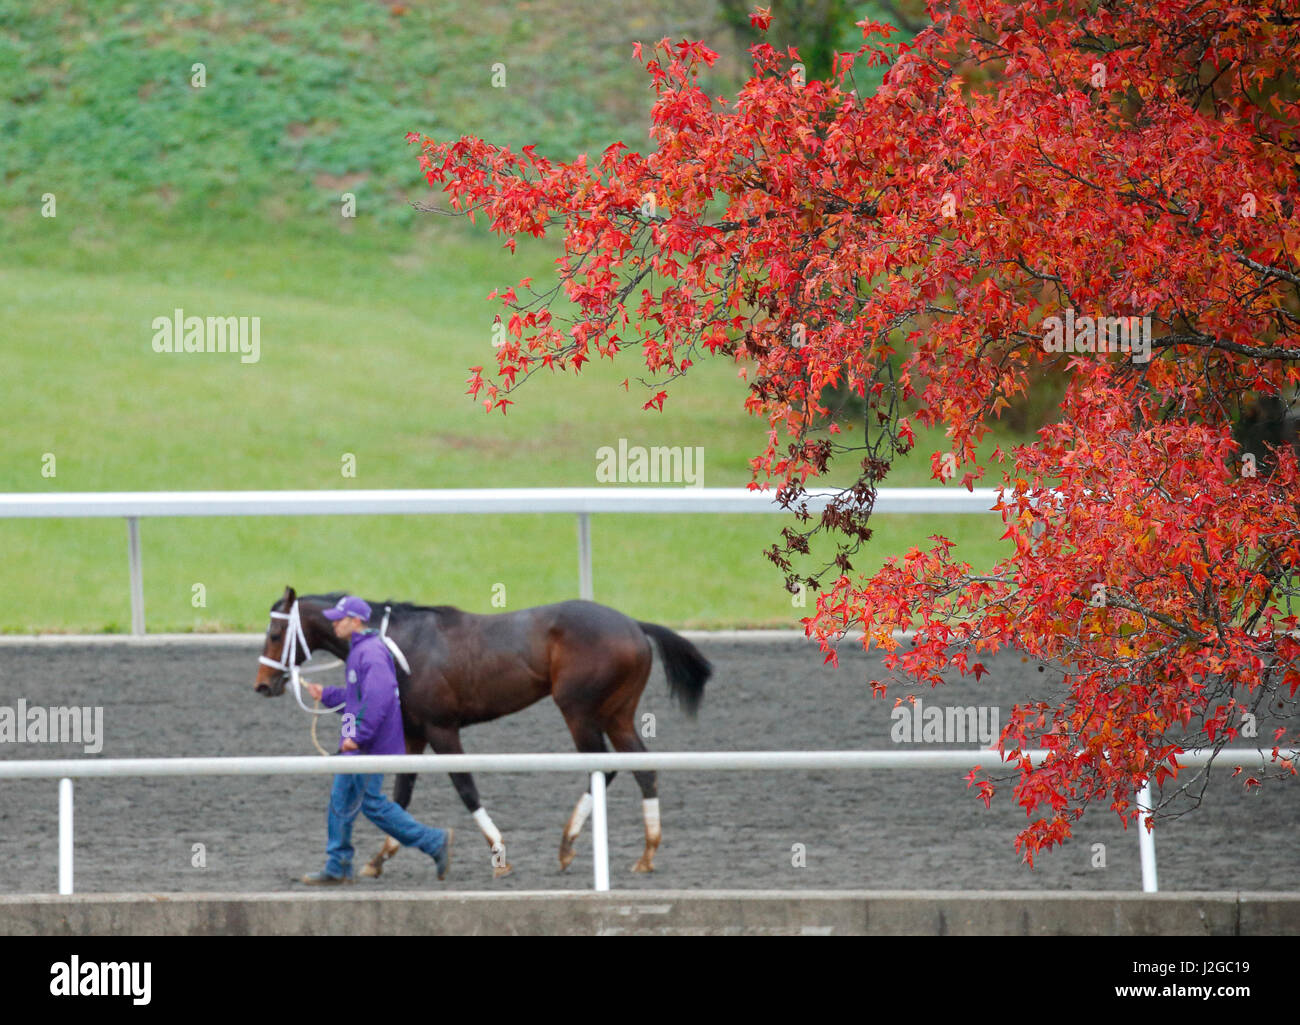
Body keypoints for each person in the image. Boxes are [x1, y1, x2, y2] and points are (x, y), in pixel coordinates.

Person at [298, 595, 453, 884]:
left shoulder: (369, 653)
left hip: (368, 747)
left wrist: (357, 736)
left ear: (355, 621)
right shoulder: (361, 651)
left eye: (339, 619)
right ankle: (338, 864)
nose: (334, 624)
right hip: (361, 746)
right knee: (341, 799)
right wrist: (328, 694)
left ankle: (434, 841)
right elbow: (359, 698)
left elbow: (379, 697)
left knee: (371, 804)